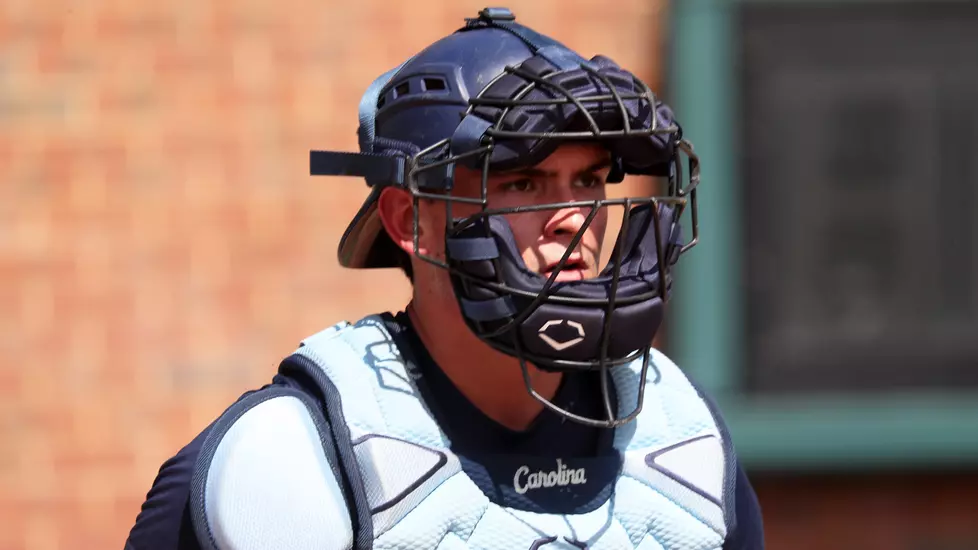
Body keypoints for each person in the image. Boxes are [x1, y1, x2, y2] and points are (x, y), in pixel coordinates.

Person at [125, 7, 765, 550]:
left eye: (591, 180)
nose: (575, 219)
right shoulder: (291, 464)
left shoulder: (685, 447)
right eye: (522, 182)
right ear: (410, 220)